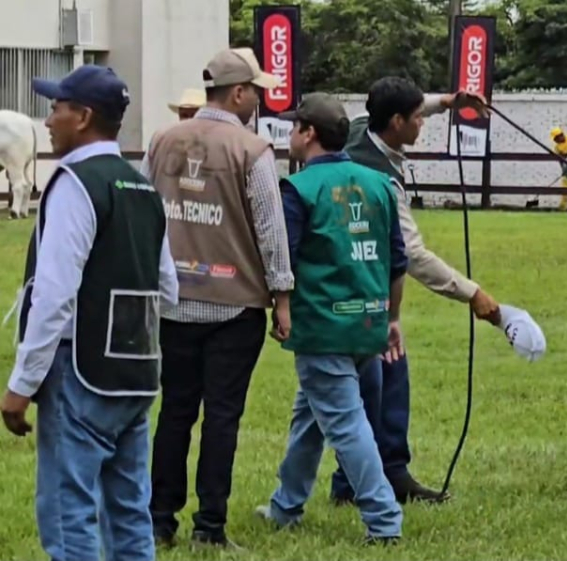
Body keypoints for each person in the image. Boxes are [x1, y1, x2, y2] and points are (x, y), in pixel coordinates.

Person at [1, 64, 178, 560]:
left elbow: (53, 295)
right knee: (128, 510)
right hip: (137, 371)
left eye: (56, 108)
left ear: (82, 117)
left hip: (79, 368)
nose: (49, 119)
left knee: (68, 511)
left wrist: (21, 384)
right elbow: (169, 287)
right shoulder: (142, 188)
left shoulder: (76, 184)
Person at [141, 47, 294, 548]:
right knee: (222, 417)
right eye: (257, 91)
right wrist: (282, 296)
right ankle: (210, 527)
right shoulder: (251, 150)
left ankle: (159, 521)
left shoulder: (162, 141)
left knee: (174, 413)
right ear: (239, 92)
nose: (259, 100)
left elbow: (143, 211)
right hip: (234, 305)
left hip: (171, 302)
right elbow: (271, 230)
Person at [330, 76, 502, 505]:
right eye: (416, 119)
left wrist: (449, 101)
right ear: (395, 122)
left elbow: (411, 104)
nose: (421, 124)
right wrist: (472, 292)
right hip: (361, 288)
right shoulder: (380, 179)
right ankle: (376, 476)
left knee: (361, 383)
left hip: (340, 281)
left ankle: (367, 476)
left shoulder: (358, 129)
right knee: (380, 373)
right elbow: (412, 255)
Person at [254, 92, 407, 545]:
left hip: (322, 325)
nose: (289, 136)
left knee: (345, 424)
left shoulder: (299, 189)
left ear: (309, 133)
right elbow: (397, 260)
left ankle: (383, 521)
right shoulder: (379, 183)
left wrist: (279, 305)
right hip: (369, 321)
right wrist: (392, 318)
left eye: (294, 127)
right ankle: (286, 505)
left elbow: (285, 258)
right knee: (311, 415)